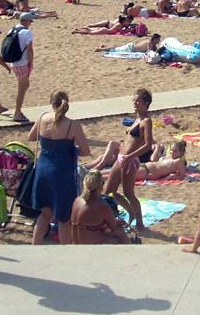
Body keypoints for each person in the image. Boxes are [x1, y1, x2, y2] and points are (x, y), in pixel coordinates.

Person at [26, 90, 91, 245]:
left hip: (43, 170)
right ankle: (64, 251)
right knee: (63, 217)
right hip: (61, 172)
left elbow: (31, 137)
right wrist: (70, 149)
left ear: (51, 103)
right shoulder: (73, 125)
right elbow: (86, 151)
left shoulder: (42, 118)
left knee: (45, 213)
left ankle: (35, 246)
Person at [104, 88, 154, 230]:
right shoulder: (136, 119)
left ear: (146, 103)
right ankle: (131, 213)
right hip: (121, 158)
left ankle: (139, 222)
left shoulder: (146, 121)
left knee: (128, 193)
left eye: (138, 100)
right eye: (134, 100)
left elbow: (148, 145)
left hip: (130, 161)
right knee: (109, 190)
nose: (135, 102)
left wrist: (130, 156)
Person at [70, 171, 131, 244]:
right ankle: (131, 252)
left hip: (76, 242)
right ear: (100, 186)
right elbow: (114, 227)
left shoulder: (77, 200)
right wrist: (118, 223)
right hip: (89, 245)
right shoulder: (101, 206)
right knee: (120, 232)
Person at [8, 12, 35, 122]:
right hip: (22, 63)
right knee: (22, 89)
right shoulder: (26, 32)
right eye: (30, 21)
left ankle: (18, 111)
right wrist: (31, 62)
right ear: (26, 21)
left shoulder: (12, 29)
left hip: (13, 62)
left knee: (25, 85)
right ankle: (17, 113)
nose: (30, 23)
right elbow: (30, 49)